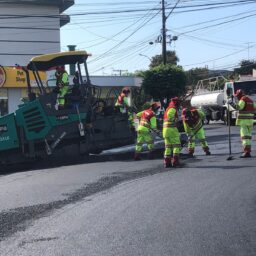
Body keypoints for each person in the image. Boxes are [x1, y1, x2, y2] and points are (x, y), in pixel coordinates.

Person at [233, 89, 256, 157]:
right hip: (250, 122)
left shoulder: (242, 100)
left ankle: (246, 152)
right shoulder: (251, 101)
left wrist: (232, 103)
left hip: (244, 122)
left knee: (244, 137)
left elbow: (239, 107)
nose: (237, 97)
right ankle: (248, 151)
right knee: (248, 137)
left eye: (237, 96)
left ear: (239, 95)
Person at [163, 97, 182, 167]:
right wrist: (177, 120)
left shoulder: (168, 108)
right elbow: (170, 116)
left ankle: (167, 162)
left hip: (166, 130)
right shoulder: (172, 108)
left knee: (168, 147)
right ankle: (175, 162)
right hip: (171, 130)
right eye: (179, 103)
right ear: (176, 103)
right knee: (176, 145)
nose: (179, 104)